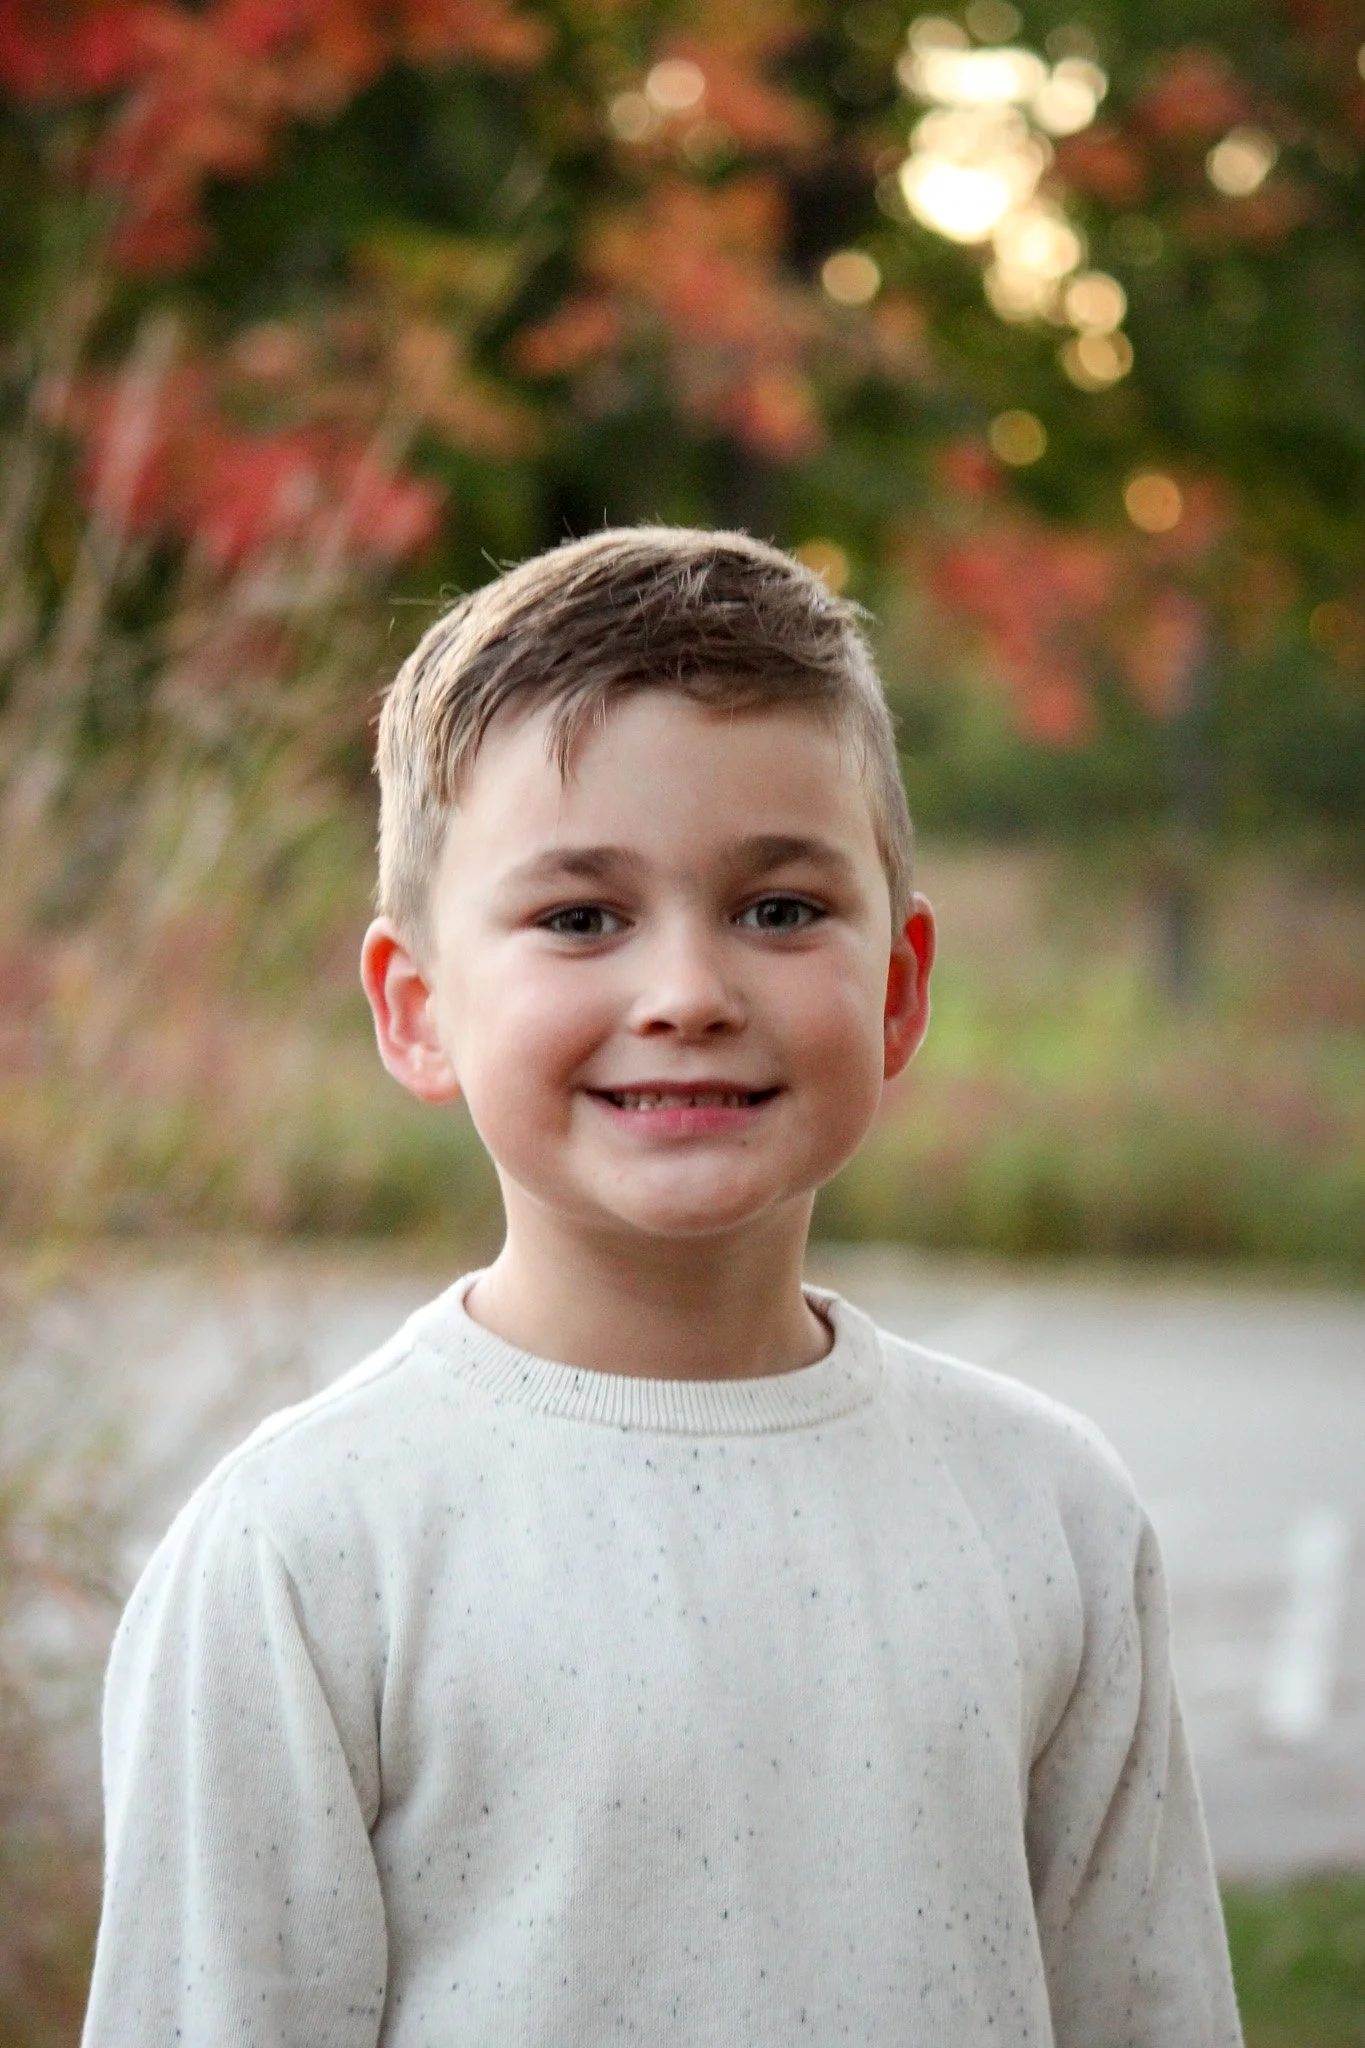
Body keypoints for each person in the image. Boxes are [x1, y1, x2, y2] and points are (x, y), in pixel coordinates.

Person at [82, 525, 1243, 2047]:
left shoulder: (1050, 1513)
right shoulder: (305, 1553)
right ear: (418, 1010)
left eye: (779, 909)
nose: (689, 994)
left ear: (896, 990)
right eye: (582, 918)